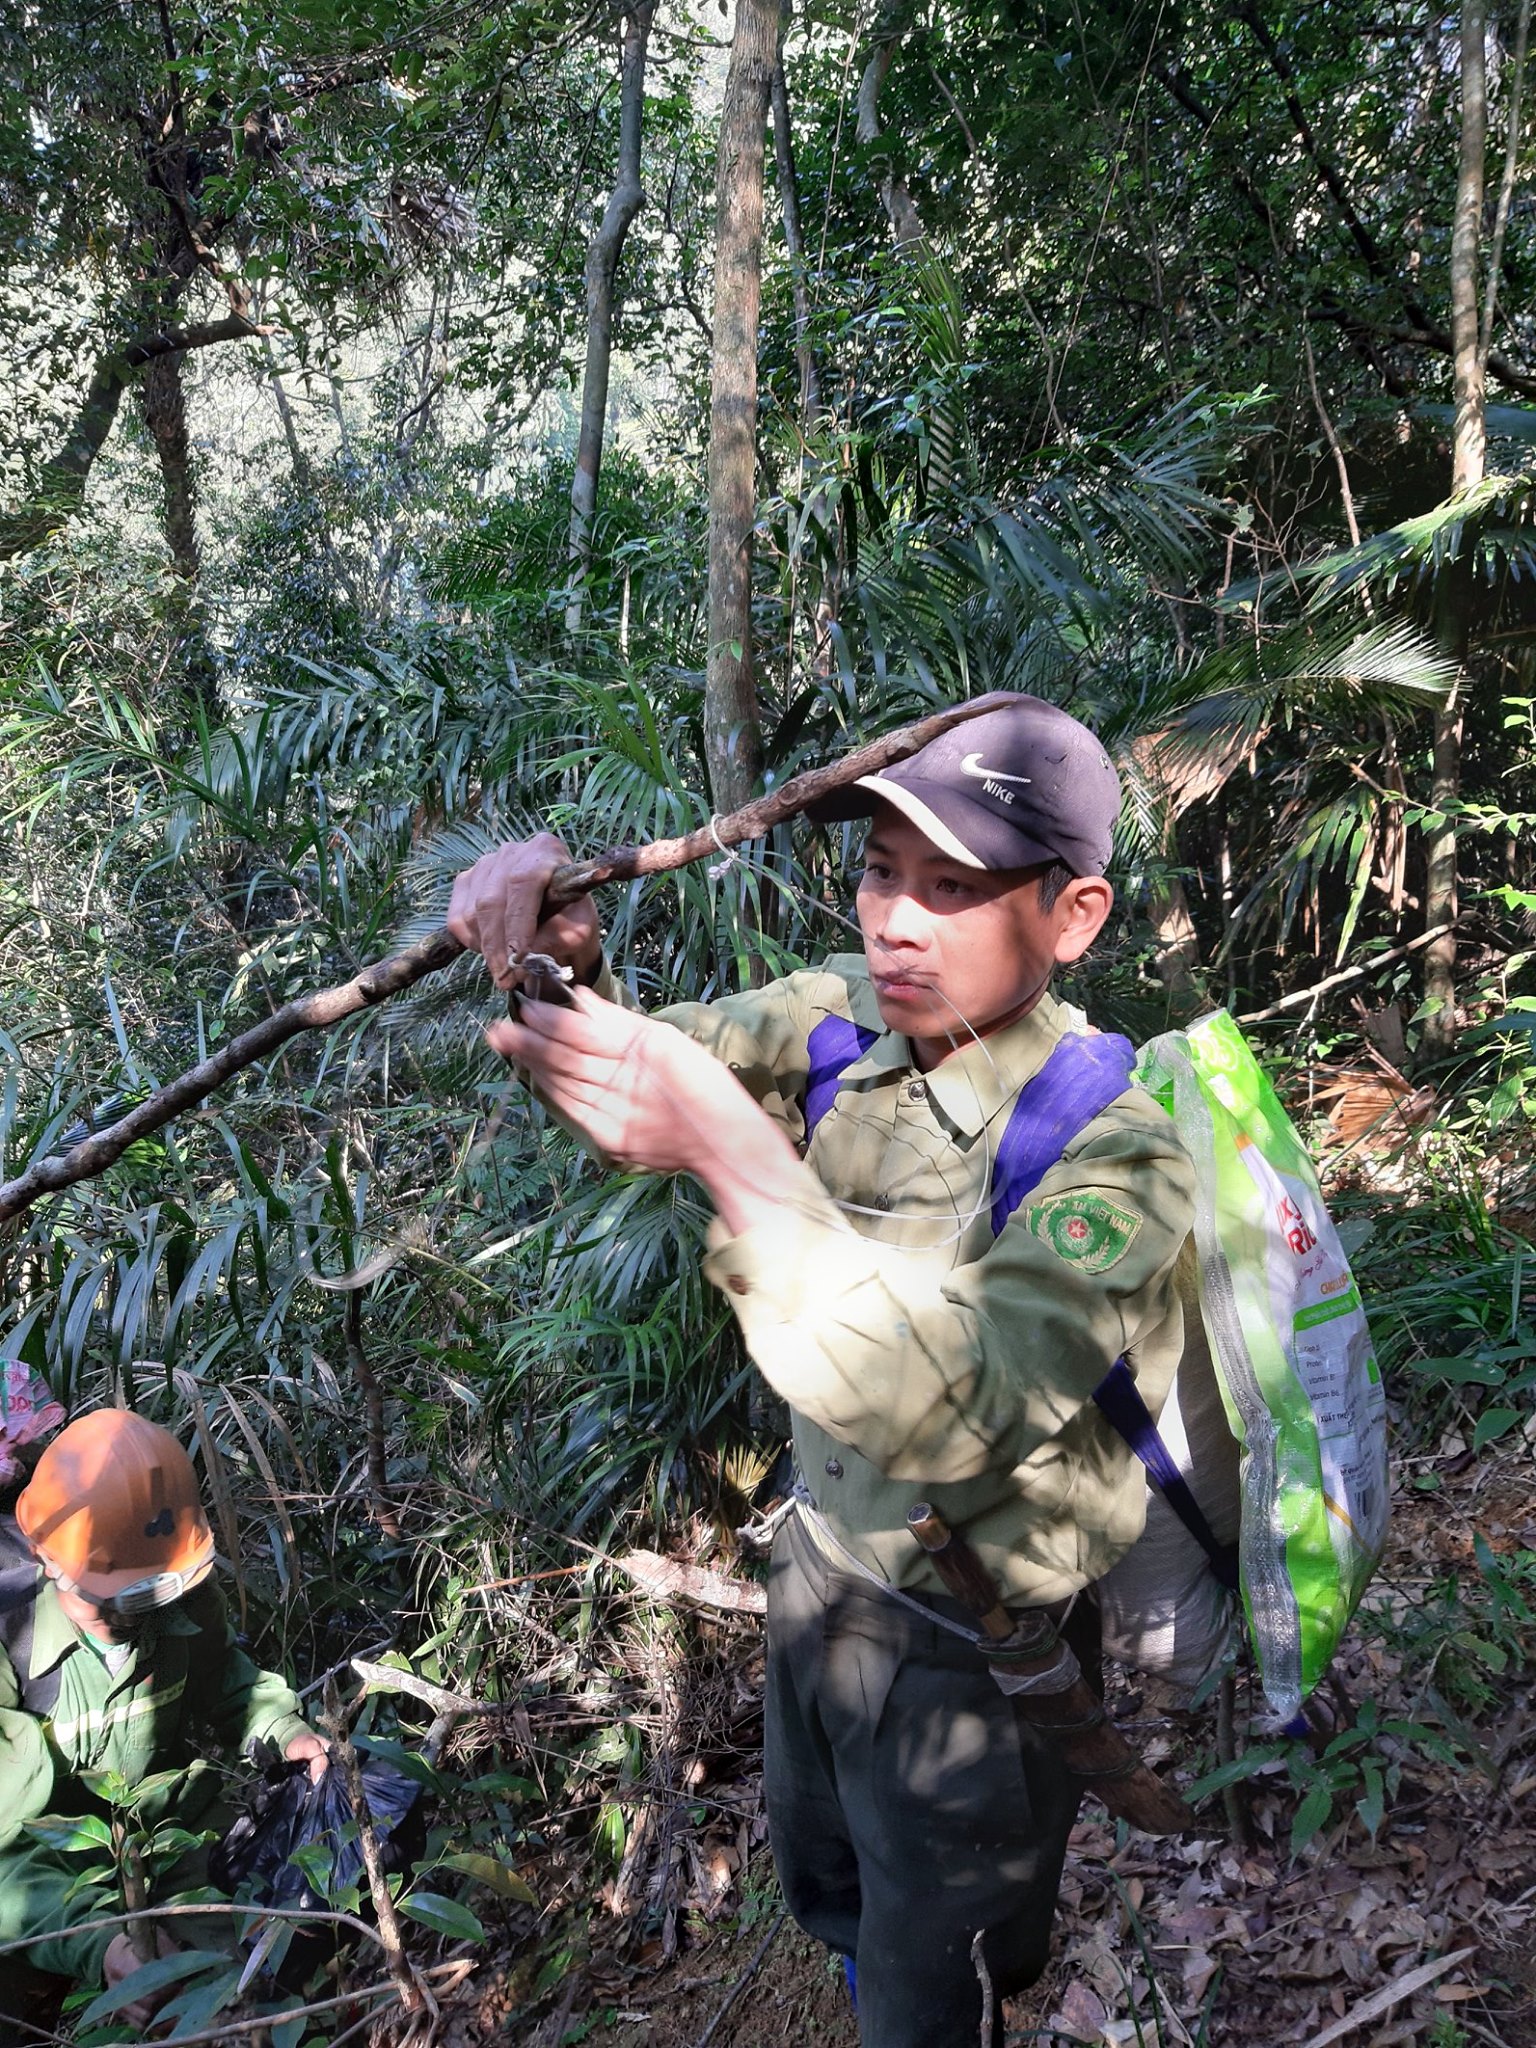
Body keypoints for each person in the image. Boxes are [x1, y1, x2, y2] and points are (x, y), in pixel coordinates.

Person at [448, 696, 1197, 2048]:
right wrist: (554, 969)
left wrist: (736, 1158)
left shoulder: (1117, 1152)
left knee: (946, 1964)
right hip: (822, 1574)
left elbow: (953, 1404)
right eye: (880, 872)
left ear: (1073, 917)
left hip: (982, 1647)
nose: (895, 921)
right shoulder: (841, 1019)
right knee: (831, 1880)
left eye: (954, 888)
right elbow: (650, 1066)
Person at [0, 1408, 328, 2021]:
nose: (142, 1613)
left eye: (162, 1591)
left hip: (167, 1845)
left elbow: (227, 1681)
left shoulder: (173, 1583)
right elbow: (3, 1864)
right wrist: (100, 1946)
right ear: (50, 1560)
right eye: (122, 1596)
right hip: (39, 1890)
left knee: (269, 1980)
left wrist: (286, 1732)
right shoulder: (8, 1637)